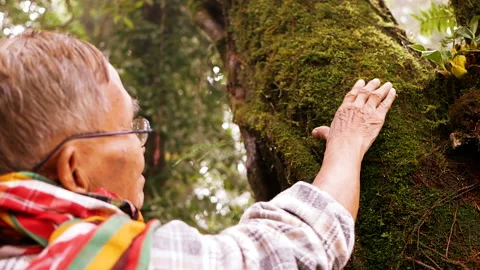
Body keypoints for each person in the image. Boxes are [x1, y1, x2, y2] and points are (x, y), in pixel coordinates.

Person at [0, 30, 396, 270]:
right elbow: (294, 250)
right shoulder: (85, 258)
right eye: (130, 128)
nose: (142, 146)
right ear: (75, 170)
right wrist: (347, 143)